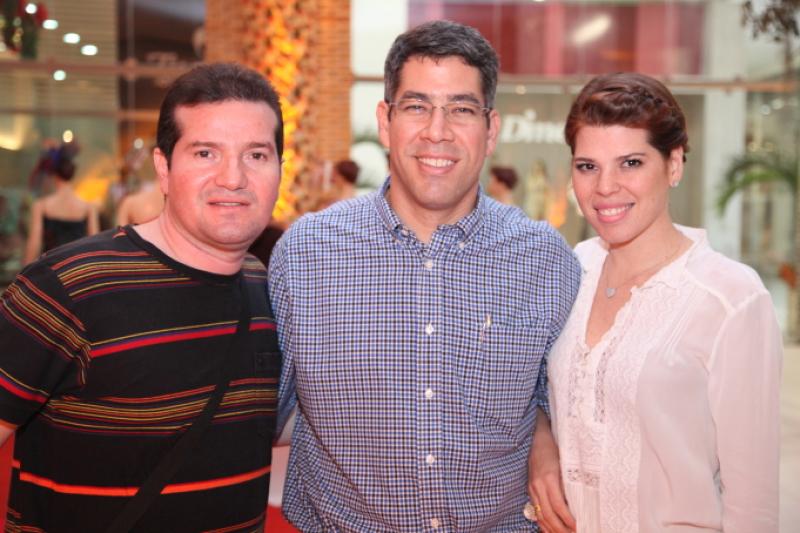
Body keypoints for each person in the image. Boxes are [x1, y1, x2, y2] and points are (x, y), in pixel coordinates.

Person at [270, 20, 581, 531]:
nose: (438, 131)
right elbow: (258, 409)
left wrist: (543, 441)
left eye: (461, 109)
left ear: (491, 129)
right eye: (417, 106)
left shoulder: (545, 260)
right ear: (385, 120)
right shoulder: (306, 255)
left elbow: (563, 404)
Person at [0, 62, 284, 532]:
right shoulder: (67, 287)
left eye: (256, 155)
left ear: (278, 170)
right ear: (164, 169)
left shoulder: (269, 289)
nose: (233, 177)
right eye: (205, 153)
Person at [527, 72, 782, 533]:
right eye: (587, 166)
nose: (605, 187)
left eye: (630, 163)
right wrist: (541, 448)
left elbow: (753, 506)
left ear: (674, 163)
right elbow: (536, 394)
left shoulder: (731, 299)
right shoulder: (570, 270)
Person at [23, 153, 100, 264]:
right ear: (72, 175)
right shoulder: (88, 207)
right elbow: (94, 243)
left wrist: (25, 270)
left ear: (55, 176)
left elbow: (35, 242)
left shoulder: (41, 205)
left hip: (51, 266)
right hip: (77, 266)